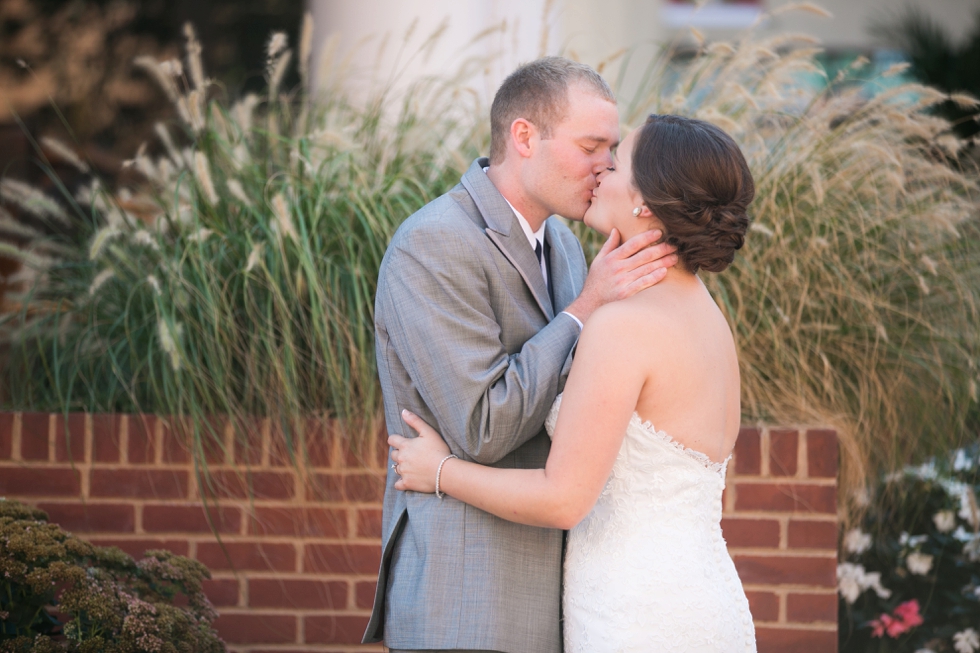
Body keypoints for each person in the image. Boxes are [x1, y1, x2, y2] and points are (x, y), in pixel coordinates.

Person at [389, 114, 757, 653]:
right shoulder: (706, 315)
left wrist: (440, 471)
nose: (602, 169)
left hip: (636, 615)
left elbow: (563, 498)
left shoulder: (625, 324)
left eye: (618, 160)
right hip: (703, 601)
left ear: (646, 204)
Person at [362, 58, 679, 653]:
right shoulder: (432, 244)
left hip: (564, 594)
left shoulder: (563, 241)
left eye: (613, 149)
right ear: (525, 137)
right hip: (469, 594)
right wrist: (584, 309)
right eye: (591, 146)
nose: (607, 165)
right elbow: (481, 427)